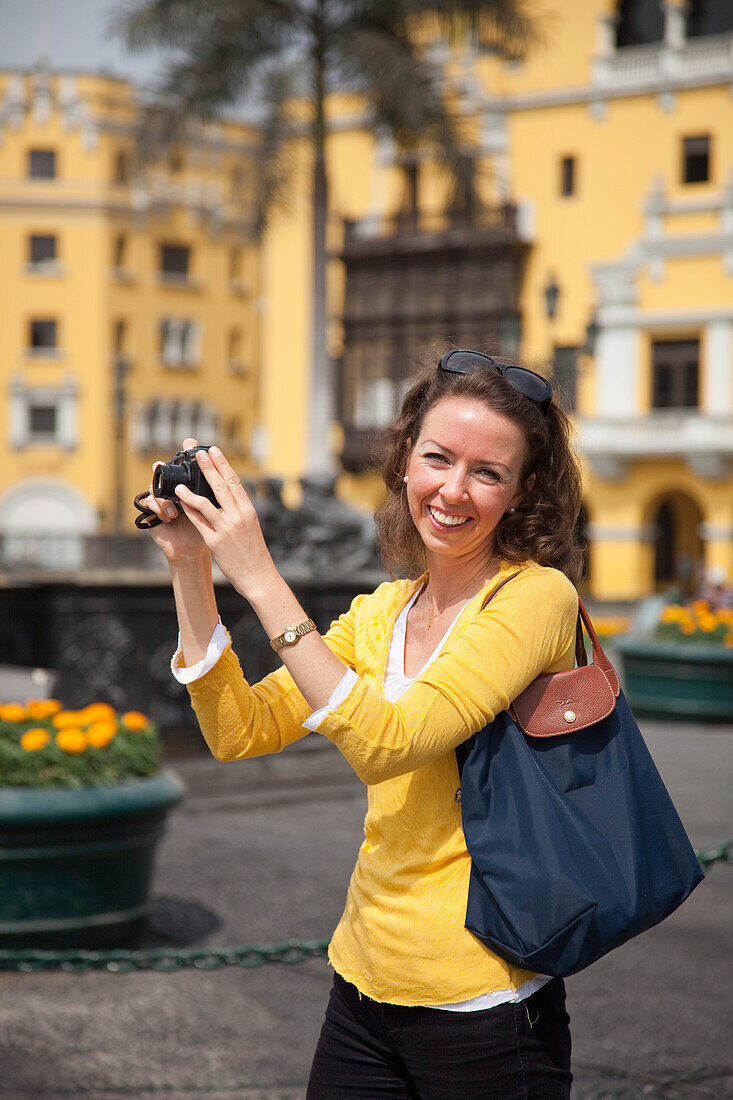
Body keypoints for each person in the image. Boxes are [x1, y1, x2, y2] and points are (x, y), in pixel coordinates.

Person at [141, 348, 584, 1098]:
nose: (452, 490)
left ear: (522, 491)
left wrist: (257, 572)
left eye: (487, 472)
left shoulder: (535, 598)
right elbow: (237, 729)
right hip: (363, 982)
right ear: (406, 457)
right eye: (437, 458)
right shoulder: (383, 612)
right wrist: (191, 564)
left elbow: (391, 742)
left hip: (485, 998)